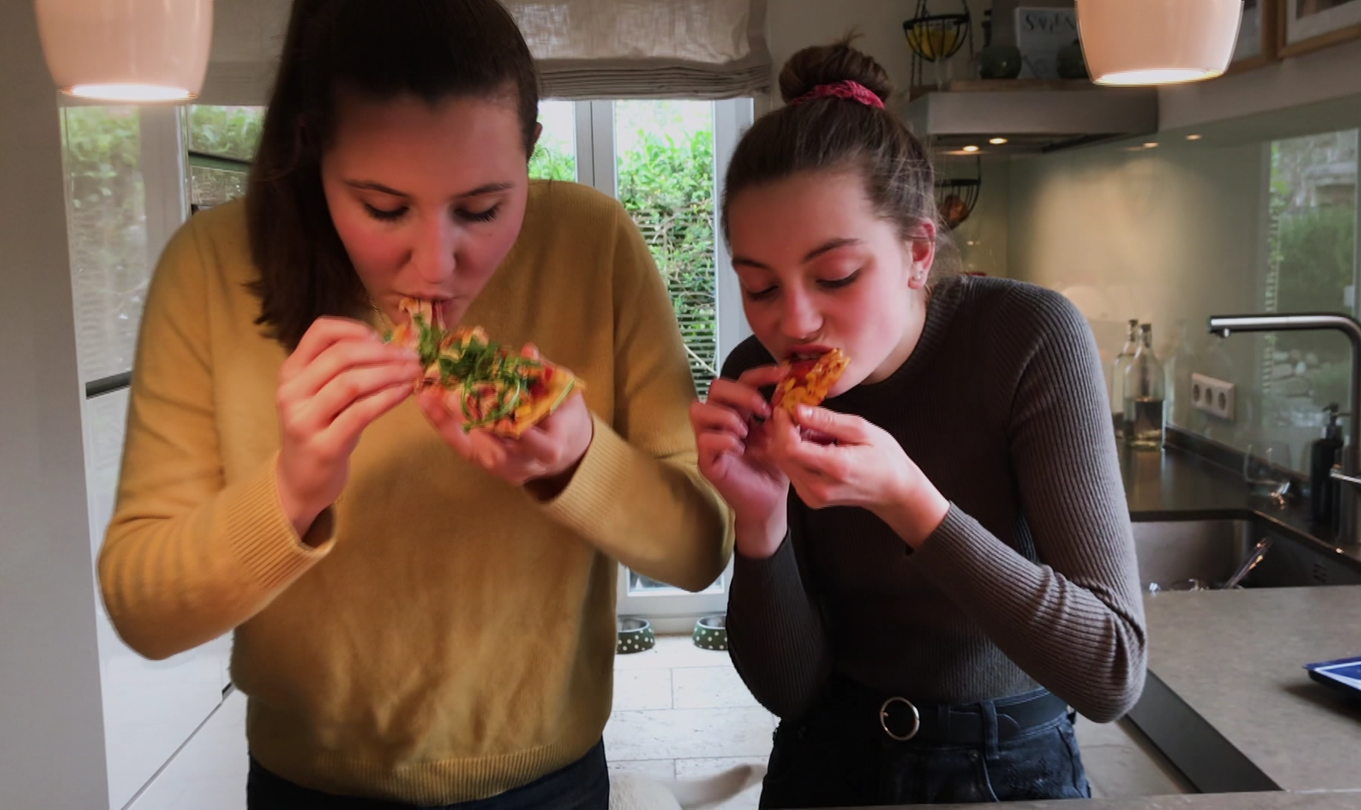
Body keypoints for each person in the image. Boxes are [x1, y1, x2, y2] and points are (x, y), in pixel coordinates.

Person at [97, 1, 732, 807]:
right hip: (307, 786)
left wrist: (580, 460)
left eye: (482, 209)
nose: (437, 264)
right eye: (384, 208)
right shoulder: (211, 268)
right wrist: (292, 493)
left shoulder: (594, 244)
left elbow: (702, 549)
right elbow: (143, 612)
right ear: (314, 154)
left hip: (550, 780)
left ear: (529, 154)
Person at [690, 39, 1147, 807]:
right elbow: (789, 692)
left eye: (835, 275)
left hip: (1011, 760)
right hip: (827, 758)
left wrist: (910, 501)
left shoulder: (1028, 338)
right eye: (759, 287)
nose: (795, 322)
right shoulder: (752, 375)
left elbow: (1110, 673)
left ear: (917, 251)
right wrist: (761, 520)